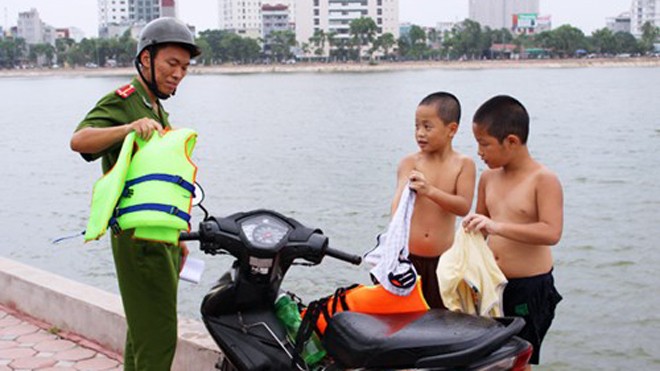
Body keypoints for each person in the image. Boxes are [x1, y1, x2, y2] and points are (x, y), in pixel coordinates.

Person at [70, 17, 200, 371]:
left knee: (143, 334)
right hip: (138, 240)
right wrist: (128, 127)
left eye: (185, 67)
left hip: (161, 238)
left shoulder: (157, 107)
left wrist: (179, 235)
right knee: (158, 339)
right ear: (146, 59)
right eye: (171, 64)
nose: (178, 74)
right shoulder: (125, 101)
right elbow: (79, 140)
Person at [463, 95, 563, 368]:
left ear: (511, 142)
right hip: (492, 282)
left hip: (528, 286)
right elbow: (481, 225)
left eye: (484, 144)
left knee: (520, 358)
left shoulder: (543, 179)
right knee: (489, 357)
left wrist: (498, 227)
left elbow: (551, 232)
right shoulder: (488, 178)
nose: (479, 152)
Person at [391, 92, 476, 308]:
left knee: (442, 319)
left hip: (443, 260)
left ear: (452, 130)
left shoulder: (463, 164)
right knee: (405, 319)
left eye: (428, 127)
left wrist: (430, 191)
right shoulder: (410, 162)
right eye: (417, 126)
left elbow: (463, 207)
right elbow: (397, 208)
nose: (420, 133)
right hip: (408, 259)